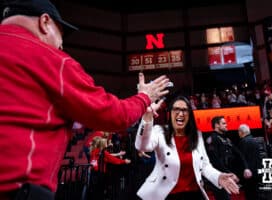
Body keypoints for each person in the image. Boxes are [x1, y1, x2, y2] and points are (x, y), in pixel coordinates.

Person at [0, 0, 171, 199]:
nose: (61, 45)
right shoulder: (51, 59)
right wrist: (144, 97)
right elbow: (113, 115)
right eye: (61, 35)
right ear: (44, 22)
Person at [135, 95, 240, 200]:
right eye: (176, 109)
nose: (180, 114)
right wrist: (147, 117)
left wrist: (218, 177)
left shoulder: (196, 136)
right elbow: (142, 146)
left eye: (184, 110)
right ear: (170, 113)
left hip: (195, 194)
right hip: (168, 195)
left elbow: (204, 166)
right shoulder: (160, 131)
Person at [205, 116, 252, 200]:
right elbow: (215, 161)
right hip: (219, 177)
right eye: (223, 123)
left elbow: (239, 154)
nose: (226, 125)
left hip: (229, 175)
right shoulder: (212, 139)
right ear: (217, 125)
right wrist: (229, 174)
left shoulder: (227, 140)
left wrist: (246, 168)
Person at [237, 124, 266, 200]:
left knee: (250, 193)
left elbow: (242, 158)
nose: (238, 134)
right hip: (257, 169)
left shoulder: (243, 142)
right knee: (256, 191)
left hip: (248, 171)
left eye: (238, 132)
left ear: (241, 132)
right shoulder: (254, 140)